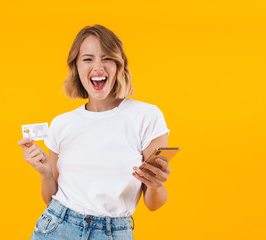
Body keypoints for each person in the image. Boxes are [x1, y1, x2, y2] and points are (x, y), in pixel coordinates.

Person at [18, 24, 171, 240]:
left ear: (119, 65)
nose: (98, 67)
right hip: (55, 229)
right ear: (76, 67)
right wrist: (44, 173)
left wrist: (156, 186)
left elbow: (154, 204)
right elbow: (51, 198)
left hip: (113, 232)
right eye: (88, 59)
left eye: (107, 58)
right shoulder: (62, 124)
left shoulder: (146, 117)